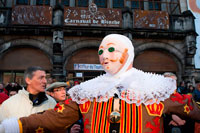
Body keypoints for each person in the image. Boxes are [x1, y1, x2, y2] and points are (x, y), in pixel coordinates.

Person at [1, 34, 200, 133]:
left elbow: (192, 110)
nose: (104, 55)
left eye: (111, 50)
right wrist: (18, 125)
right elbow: (54, 118)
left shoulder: (155, 88)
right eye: (100, 51)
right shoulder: (87, 91)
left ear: (127, 53)